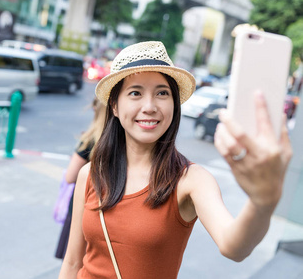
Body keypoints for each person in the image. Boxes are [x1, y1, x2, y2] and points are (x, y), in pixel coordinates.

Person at [59, 41, 293, 278]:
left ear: (174, 104)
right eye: (135, 93)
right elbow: (72, 263)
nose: (149, 106)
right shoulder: (89, 174)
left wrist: (263, 201)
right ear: (115, 106)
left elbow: (234, 247)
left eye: (162, 93)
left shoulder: (191, 180)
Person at [55, 98, 106, 259]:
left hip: (83, 206)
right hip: (105, 210)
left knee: (75, 260)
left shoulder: (90, 141)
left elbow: (70, 177)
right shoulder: (120, 142)